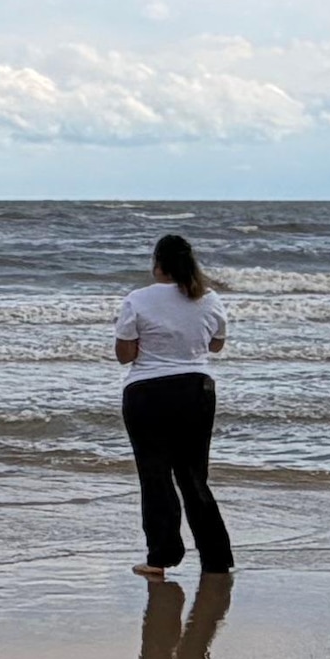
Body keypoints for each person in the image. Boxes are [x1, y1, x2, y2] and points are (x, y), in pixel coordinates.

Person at [113, 229, 234, 579]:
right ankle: (216, 559)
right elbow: (215, 346)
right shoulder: (209, 298)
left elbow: (125, 355)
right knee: (194, 477)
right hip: (196, 390)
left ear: (158, 265)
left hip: (147, 392)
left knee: (155, 477)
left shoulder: (138, 299)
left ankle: (161, 557)